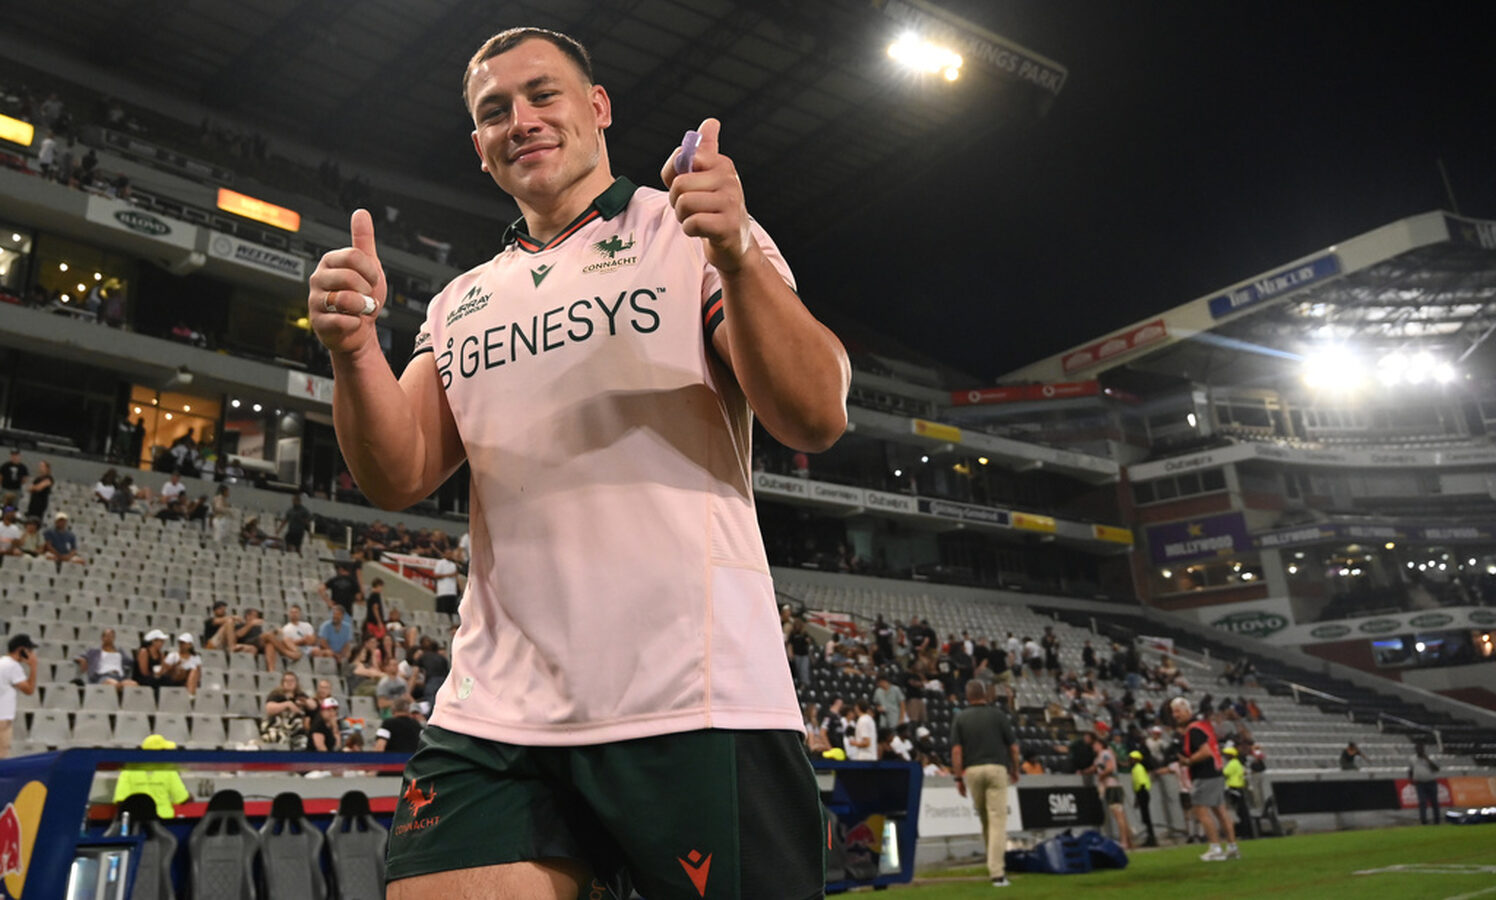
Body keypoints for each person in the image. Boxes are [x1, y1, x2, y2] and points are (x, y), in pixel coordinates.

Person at [309, 24, 848, 900]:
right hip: (496, 711)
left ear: (597, 107)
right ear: (479, 148)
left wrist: (737, 255)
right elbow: (397, 473)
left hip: (691, 696)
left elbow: (815, 414)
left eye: (542, 94)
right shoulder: (459, 302)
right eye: (495, 111)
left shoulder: (688, 232)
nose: (520, 119)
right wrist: (353, 351)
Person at [951, 680, 1020, 888]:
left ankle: (993, 865)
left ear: (967, 696)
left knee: (985, 820)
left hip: (972, 771)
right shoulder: (997, 715)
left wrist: (958, 778)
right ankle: (997, 872)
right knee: (997, 820)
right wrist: (1015, 769)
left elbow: (956, 751)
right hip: (996, 768)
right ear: (984, 694)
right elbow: (1014, 747)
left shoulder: (960, 718)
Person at [1173, 696, 1238, 861]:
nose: (1175, 715)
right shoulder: (1202, 726)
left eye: (1178, 711)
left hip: (1204, 774)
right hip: (1215, 772)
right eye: (1173, 712)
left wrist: (1188, 761)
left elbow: (1205, 752)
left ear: (1187, 711)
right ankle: (1232, 847)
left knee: (1200, 810)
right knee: (1221, 811)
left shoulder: (1193, 729)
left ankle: (1215, 847)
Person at [113, 734, 191, 818]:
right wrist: (190, 797)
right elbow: (182, 799)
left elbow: (121, 800)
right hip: (164, 820)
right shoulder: (169, 771)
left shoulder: (128, 771)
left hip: (137, 819)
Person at [1, 634, 40, 757]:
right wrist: (33, 666)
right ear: (21, 650)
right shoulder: (13, 666)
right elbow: (29, 690)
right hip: (2, 719)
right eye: (29, 650)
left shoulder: (2, 662)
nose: (32, 654)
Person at [1094, 733, 1132, 850]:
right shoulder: (1105, 754)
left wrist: (1101, 776)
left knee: (1118, 815)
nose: (1094, 747)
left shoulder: (1105, 754)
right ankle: (1129, 840)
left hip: (1112, 786)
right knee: (1121, 815)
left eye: (1095, 744)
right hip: (1114, 786)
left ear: (1100, 745)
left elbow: (1109, 768)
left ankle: (1124, 841)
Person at [262, 671, 317, 750]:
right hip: (279, 727)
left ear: (296, 683)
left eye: (292, 680)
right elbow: (269, 708)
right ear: (282, 683)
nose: (289, 683)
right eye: (287, 681)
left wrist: (305, 702)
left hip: (296, 729)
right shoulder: (276, 694)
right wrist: (287, 704)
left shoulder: (300, 695)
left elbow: (314, 706)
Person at [1130, 750, 1159, 847]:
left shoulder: (1138, 768)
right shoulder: (1137, 768)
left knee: (1146, 816)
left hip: (1142, 792)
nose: (1131, 761)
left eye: (1132, 759)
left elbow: (1141, 782)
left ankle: (1151, 838)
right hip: (1141, 792)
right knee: (1145, 816)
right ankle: (1150, 837)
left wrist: (1139, 796)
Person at [1222, 746, 1252, 838]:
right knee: (1242, 810)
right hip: (1239, 787)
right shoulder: (1238, 763)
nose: (1225, 756)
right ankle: (1246, 831)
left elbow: (1225, 773)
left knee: (1237, 810)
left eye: (1226, 754)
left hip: (1234, 787)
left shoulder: (1232, 764)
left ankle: (1241, 831)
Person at [1410, 741, 1442, 825]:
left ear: (1423, 749)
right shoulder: (1412, 759)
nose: (1419, 751)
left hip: (1431, 782)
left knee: (1434, 802)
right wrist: (1411, 779)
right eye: (1417, 749)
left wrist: (1427, 759)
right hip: (1420, 783)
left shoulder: (1431, 757)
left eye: (1420, 749)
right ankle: (1423, 821)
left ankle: (1437, 820)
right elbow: (1411, 770)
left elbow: (1436, 769)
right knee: (1422, 802)